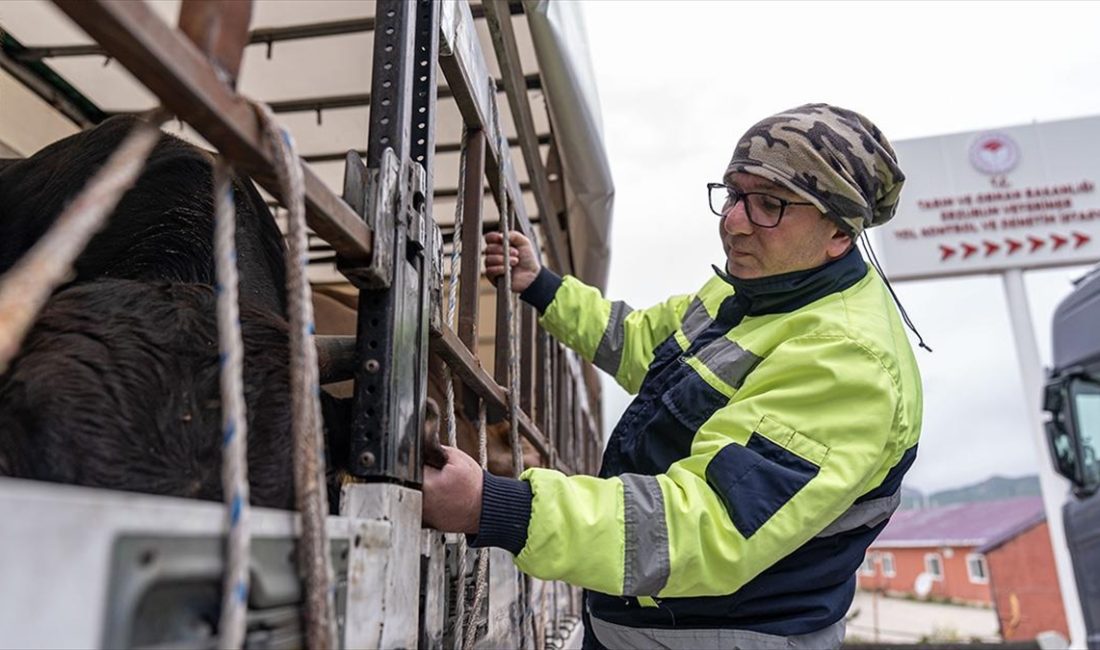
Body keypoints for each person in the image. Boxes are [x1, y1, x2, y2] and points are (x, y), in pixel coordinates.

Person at [422, 103, 923, 649]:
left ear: (839, 233)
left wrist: (498, 507)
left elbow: (706, 529)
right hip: (644, 622)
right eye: (733, 194)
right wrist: (544, 287)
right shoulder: (746, 291)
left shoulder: (847, 362)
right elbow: (640, 343)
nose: (732, 222)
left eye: (769, 205)